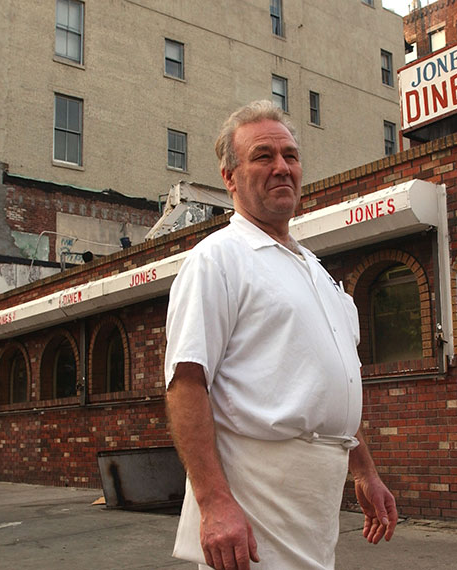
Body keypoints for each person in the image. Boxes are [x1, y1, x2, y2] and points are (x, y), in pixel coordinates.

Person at [165, 100, 397, 570]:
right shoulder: (217, 259)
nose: (281, 168)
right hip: (255, 500)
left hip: (314, 503)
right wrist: (213, 503)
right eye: (263, 156)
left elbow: (332, 383)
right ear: (229, 176)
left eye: (290, 156)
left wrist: (365, 471)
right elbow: (186, 384)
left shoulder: (314, 269)